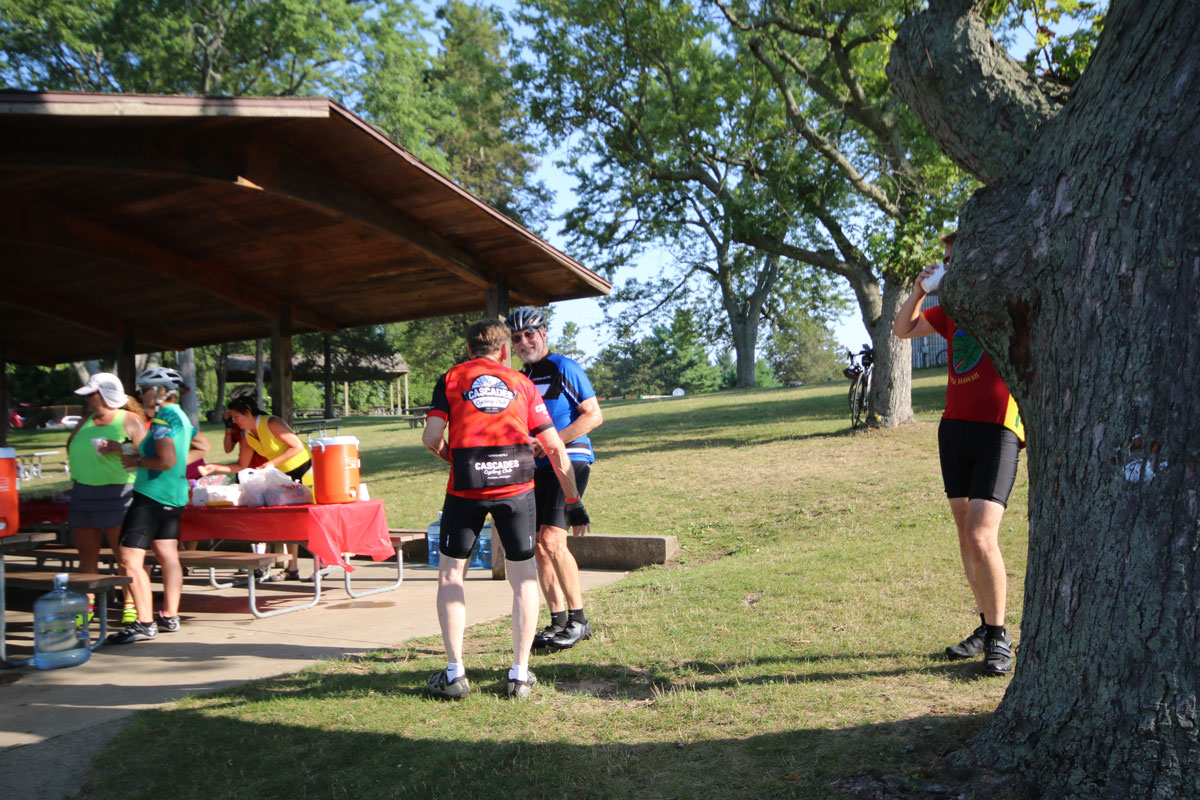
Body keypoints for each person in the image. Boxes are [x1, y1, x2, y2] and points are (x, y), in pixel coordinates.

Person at [422, 319, 591, 700]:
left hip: (465, 490)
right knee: (523, 577)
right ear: (503, 351)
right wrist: (573, 500)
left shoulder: (450, 379)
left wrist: (457, 459)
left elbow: (431, 437)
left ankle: (454, 674)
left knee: (451, 576)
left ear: (468, 350)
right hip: (517, 490)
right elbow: (554, 448)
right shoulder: (523, 384)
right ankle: (519, 674)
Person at [892, 230, 1025, 675]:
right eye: (945, 256)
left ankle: (1001, 635)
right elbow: (902, 329)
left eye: (954, 256)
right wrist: (917, 290)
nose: (947, 262)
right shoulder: (951, 310)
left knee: (981, 535)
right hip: (954, 430)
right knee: (965, 534)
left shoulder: (1000, 301)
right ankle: (986, 628)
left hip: (998, 430)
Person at [505, 307, 603, 650]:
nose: (523, 342)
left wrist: (552, 443)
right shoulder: (520, 379)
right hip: (537, 467)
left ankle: (579, 620)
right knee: (538, 547)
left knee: (552, 540)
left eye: (529, 334)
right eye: (516, 337)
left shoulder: (565, 367)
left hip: (570, 458)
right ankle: (558, 621)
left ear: (543, 333)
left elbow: (594, 415)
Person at [107, 367, 210, 644]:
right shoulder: (181, 418)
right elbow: (202, 446)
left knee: (129, 558)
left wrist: (137, 462)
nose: (140, 396)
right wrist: (176, 468)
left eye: (143, 390)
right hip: (174, 495)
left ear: (160, 391)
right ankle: (170, 615)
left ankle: (144, 622)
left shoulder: (164, 418)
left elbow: (164, 459)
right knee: (168, 555)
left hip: (152, 494)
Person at [198, 396, 311, 581]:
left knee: (306, 519)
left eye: (236, 417)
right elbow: (242, 465)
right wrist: (216, 467)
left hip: (303, 470)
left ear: (248, 413)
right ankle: (293, 568)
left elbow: (297, 446)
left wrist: (270, 464)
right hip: (283, 478)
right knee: (289, 520)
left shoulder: (272, 422)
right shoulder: (248, 435)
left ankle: (322, 563)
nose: (234, 421)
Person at [65, 372, 146, 623]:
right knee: (87, 557)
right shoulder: (85, 420)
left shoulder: (129, 419)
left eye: (92, 394)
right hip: (83, 494)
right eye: (88, 395)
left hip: (119, 494)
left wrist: (119, 447)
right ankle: (86, 607)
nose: (89, 399)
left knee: (124, 557)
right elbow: (71, 445)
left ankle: (130, 604)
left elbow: (149, 454)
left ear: (104, 395)